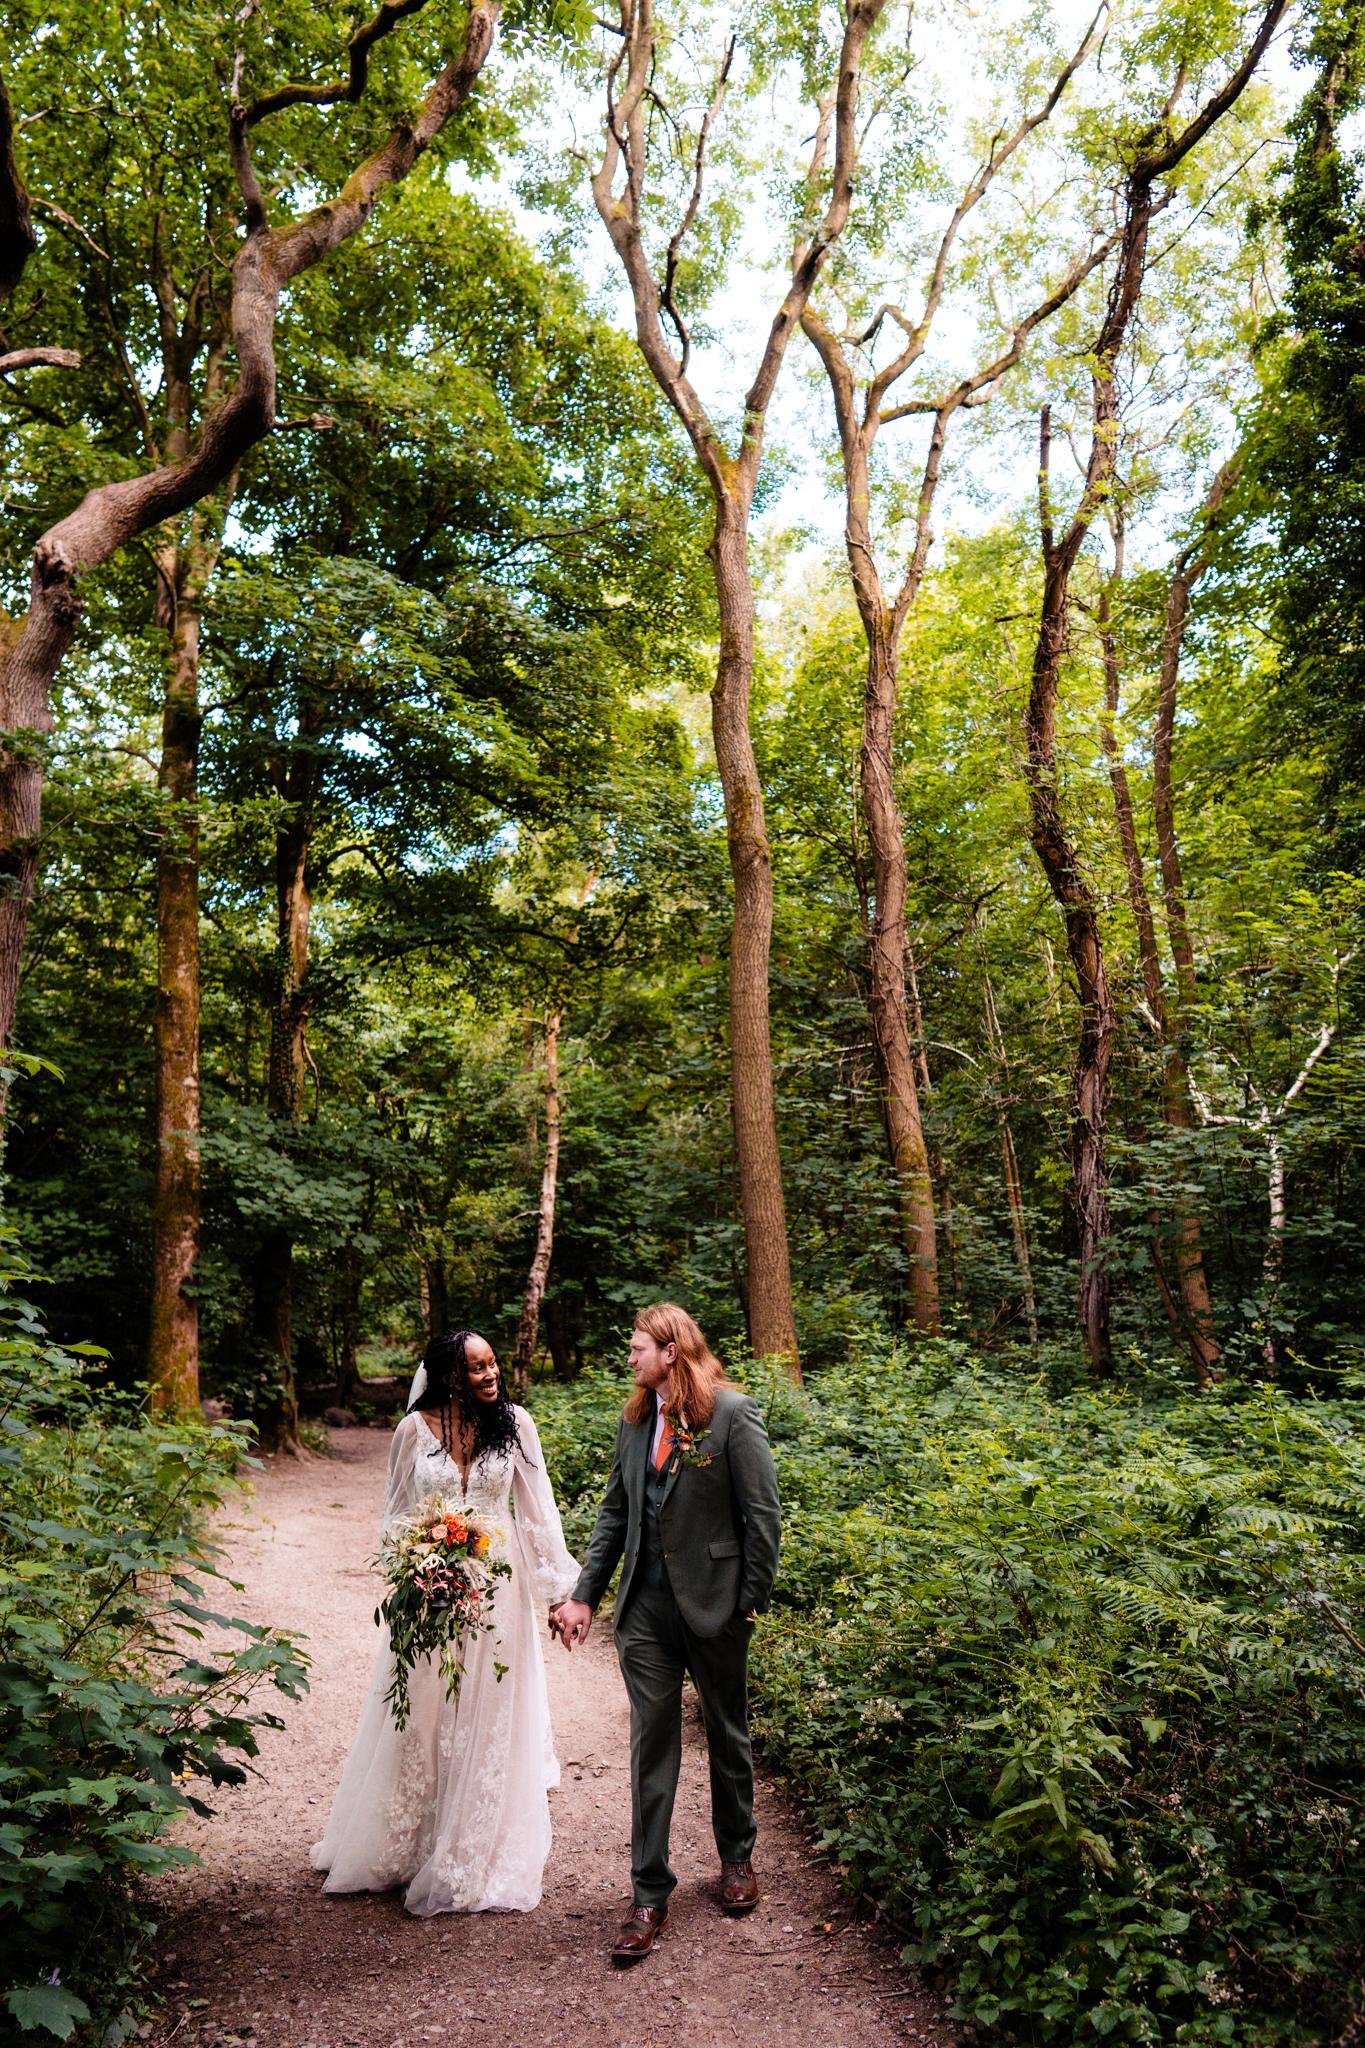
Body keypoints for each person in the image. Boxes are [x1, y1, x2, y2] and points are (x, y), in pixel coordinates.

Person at [310, 1328, 581, 1915]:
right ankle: (411, 1842)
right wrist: (415, 1566)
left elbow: (539, 1515)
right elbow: (395, 1512)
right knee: (425, 1707)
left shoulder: (517, 1426)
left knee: (488, 1707)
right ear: (450, 1375)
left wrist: (561, 1593)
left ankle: (471, 1846)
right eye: (477, 1369)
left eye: (493, 1365)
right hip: (430, 1587)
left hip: (498, 1590)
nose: (491, 1376)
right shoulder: (413, 1430)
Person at [550, 1302, 781, 1962]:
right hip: (644, 1611)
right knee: (651, 1744)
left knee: (726, 1732)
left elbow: (762, 1518)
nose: (630, 1357)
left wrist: (747, 1606)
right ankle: (648, 1892)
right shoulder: (633, 1421)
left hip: (716, 1606)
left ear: (670, 1351)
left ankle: (736, 1859)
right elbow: (613, 1516)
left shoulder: (731, 1415)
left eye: (638, 1348)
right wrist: (584, 1596)